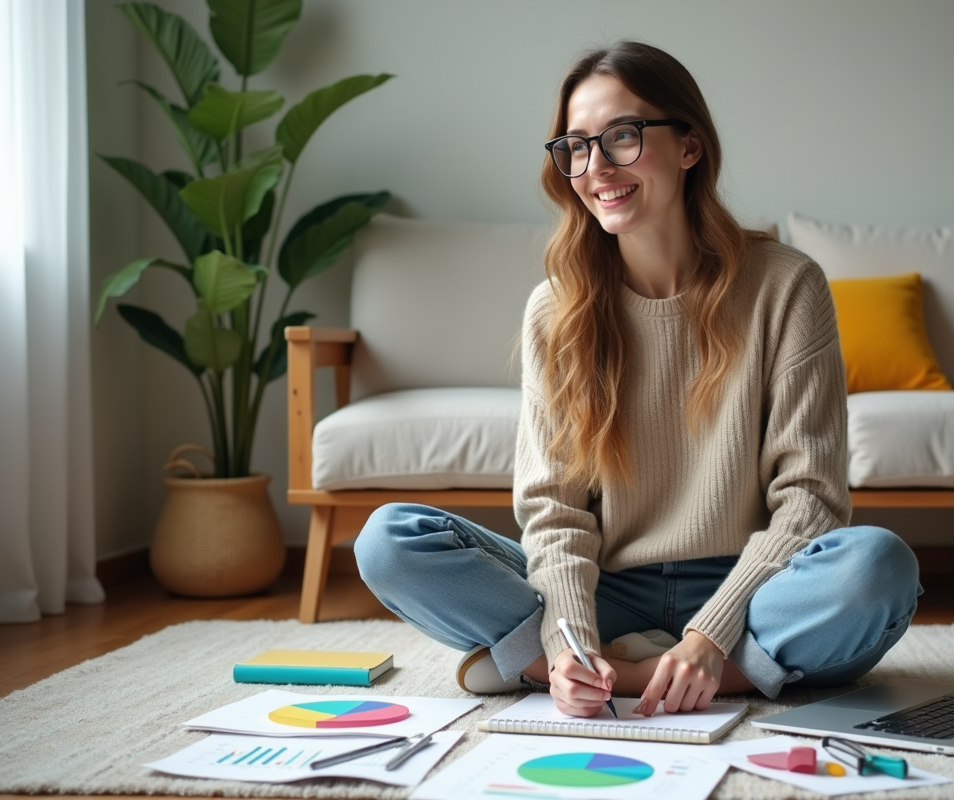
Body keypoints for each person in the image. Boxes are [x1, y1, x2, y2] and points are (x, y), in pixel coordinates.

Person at [355, 40, 921, 719]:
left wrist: (710, 635)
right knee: (389, 542)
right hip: (607, 587)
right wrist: (570, 638)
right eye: (576, 146)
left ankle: (574, 671)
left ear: (690, 147)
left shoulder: (786, 286)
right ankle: (666, 672)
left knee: (878, 569)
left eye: (621, 137)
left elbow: (810, 500)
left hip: (753, 585)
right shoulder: (557, 309)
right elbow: (555, 510)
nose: (596, 168)